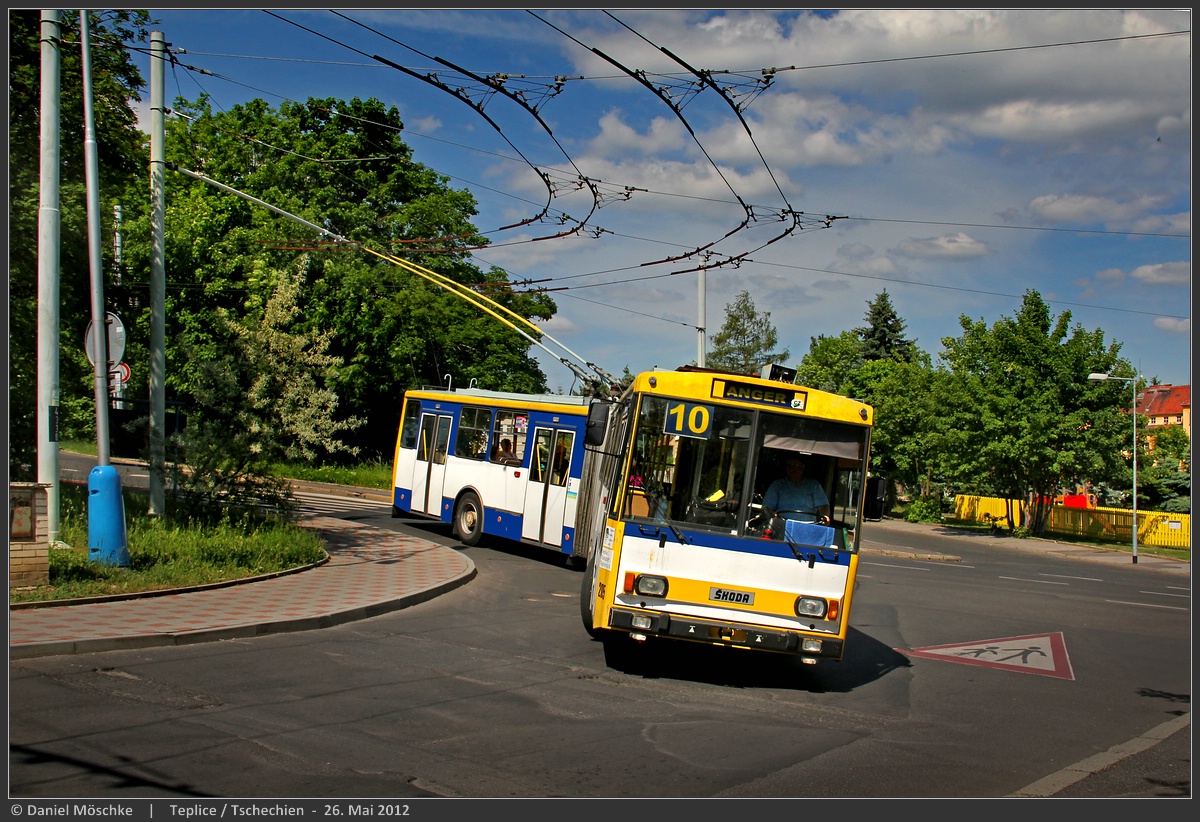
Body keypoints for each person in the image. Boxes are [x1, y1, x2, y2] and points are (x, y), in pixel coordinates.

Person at [763, 455, 830, 524]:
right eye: (789, 466)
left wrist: (824, 516)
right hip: (782, 525)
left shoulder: (814, 486)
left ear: (802, 468)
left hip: (808, 526)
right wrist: (771, 516)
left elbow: (823, 506)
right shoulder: (777, 485)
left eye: (795, 465)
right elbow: (767, 507)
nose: (792, 469)